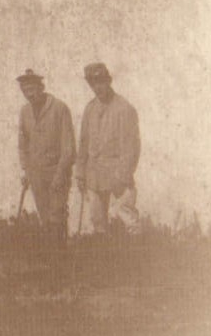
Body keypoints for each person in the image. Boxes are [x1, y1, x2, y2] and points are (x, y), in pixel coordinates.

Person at [75, 62, 141, 234]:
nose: (97, 87)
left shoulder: (124, 108)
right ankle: (103, 258)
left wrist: (122, 176)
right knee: (98, 223)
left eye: (101, 82)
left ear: (109, 81)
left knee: (128, 220)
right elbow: (83, 144)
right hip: (94, 177)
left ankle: (137, 259)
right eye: (93, 84)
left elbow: (131, 148)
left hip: (117, 177)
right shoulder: (90, 108)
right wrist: (80, 173)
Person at [16, 70, 75, 243]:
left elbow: (68, 147)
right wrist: (26, 169)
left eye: (32, 89)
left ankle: (61, 256)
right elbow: (23, 145)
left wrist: (60, 174)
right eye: (25, 90)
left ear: (41, 88)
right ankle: (51, 259)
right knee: (45, 216)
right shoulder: (24, 112)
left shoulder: (59, 108)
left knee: (57, 214)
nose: (29, 94)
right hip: (36, 174)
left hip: (57, 171)